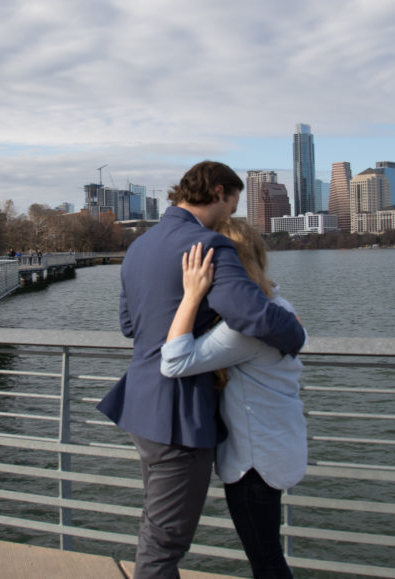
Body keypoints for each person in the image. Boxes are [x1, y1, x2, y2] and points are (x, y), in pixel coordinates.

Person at [98, 161, 305, 578]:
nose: (231, 212)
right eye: (232, 201)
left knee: (157, 526)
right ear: (217, 193)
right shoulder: (209, 244)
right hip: (179, 413)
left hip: (140, 406)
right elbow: (253, 315)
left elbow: (127, 326)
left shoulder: (140, 245)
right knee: (166, 541)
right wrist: (295, 334)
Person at [161, 220, 306, 579]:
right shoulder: (278, 309)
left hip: (255, 464)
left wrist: (193, 295)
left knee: (267, 561)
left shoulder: (248, 330)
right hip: (275, 448)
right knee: (268, 555)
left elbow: (174, 361)